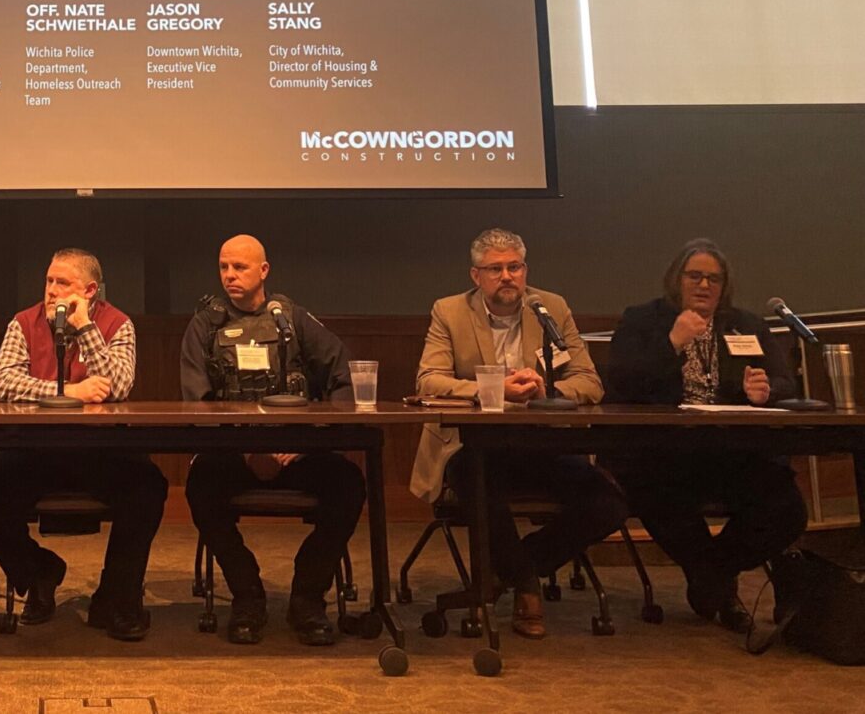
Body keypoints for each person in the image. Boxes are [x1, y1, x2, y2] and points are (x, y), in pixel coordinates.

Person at [410, 228, 626, 639]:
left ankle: (511, 572)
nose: (507, 276)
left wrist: (551, 392)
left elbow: (589, 381)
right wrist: (491, 390)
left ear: (525, 270)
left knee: (609, 503)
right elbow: (428, 381)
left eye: (514, 267)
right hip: (473, 448)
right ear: (476, 276)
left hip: (541, 444)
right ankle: (527, 587)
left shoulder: (550, 308)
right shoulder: (450, 311)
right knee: (477, 482)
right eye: (495, 269)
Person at [604, 238, 807, 630]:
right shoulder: (644, 320)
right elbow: (621, 383)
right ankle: (719, 587)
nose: (704, 285)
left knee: (787, 507)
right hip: (662, 454)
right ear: (676, 280)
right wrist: (672, 343)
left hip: (733, 451)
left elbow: (785, 382)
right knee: (656, 493)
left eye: (713, 278)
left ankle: (709, 578)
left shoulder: (745, 325)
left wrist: (766, 392)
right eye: (694, 276)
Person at [0, 248, 166, 640]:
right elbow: (3, 383)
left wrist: (86, 329)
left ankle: (117, 598)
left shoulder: (117, 324)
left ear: (90, 290)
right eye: (49, 281)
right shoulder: (22, 323)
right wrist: (72, 391)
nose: (52, 291)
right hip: (34, 450)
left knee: (148, 489)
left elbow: (118, 385)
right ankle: (39, 573)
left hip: (100, 451)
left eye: (63, 283)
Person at [181, 235, 366, 646]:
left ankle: (307, 597)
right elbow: (198, 403)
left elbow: (343, 379)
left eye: (240, 267)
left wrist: (307, 444)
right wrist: (248, 451)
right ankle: (247, 595)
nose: (230, 275)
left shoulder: (292, 319)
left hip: (297, 453)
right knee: (200, 487)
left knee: (349, 484)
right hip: (234, 455)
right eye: (224, 266)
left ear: (263, 271)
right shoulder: (204, 325)